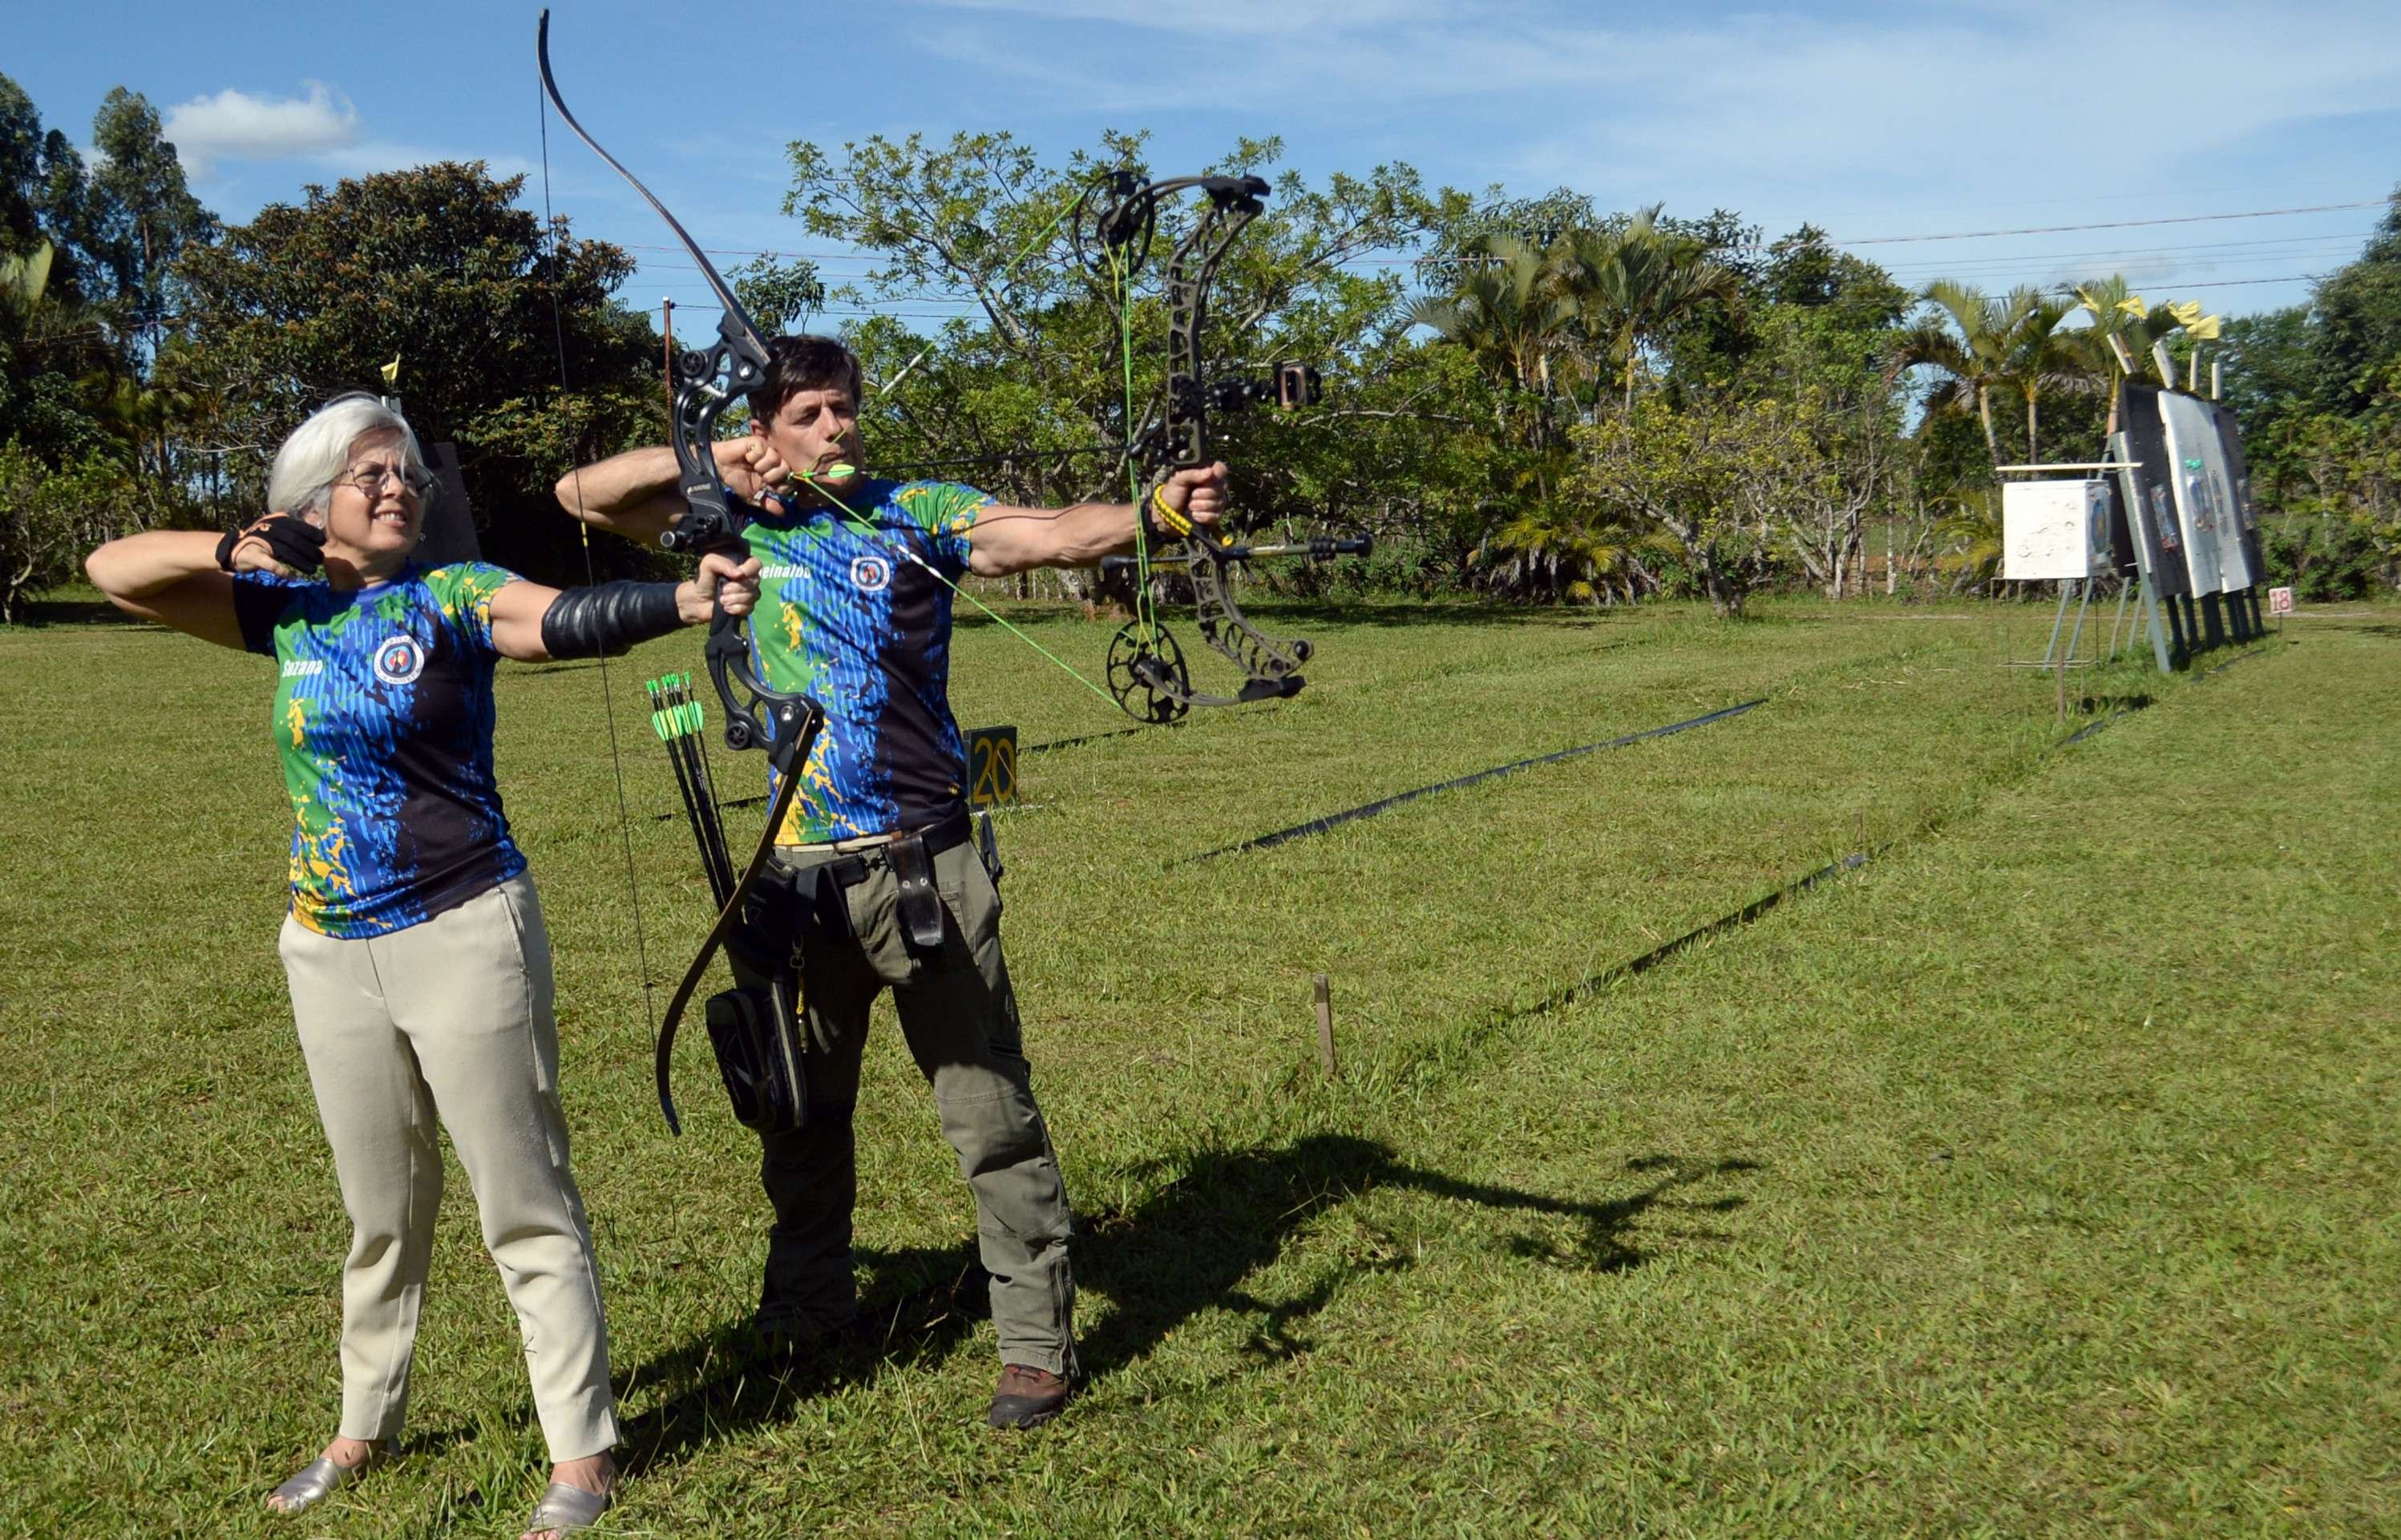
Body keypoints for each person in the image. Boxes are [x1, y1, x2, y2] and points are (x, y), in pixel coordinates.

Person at [85, 392, 762, 1540]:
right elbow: (113, 569)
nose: (399, 486)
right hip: (326, 944)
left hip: (462, 928)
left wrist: (690, 596)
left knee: (523, 1200)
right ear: (312, 505)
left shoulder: (450, 593)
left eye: (407, 473)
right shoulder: (280, 611)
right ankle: (365, 1420)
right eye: (371, 473)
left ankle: (581, 1449)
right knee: (380, 1210)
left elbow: (558, 619)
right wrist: (237, 546)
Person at [554, 334, 1225, 1429]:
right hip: (792, 873)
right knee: (801, 1111)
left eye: (844, 408)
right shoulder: (735, 527)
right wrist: (726, 459)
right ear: (767, 430)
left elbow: (1041, 535)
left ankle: (1034, 1341)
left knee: (989, 1110)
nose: (838, 427)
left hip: (925, 861)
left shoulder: (916, 509)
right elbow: (581, 495)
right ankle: (811, 1306)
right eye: (809, 413)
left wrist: (1151, 511)